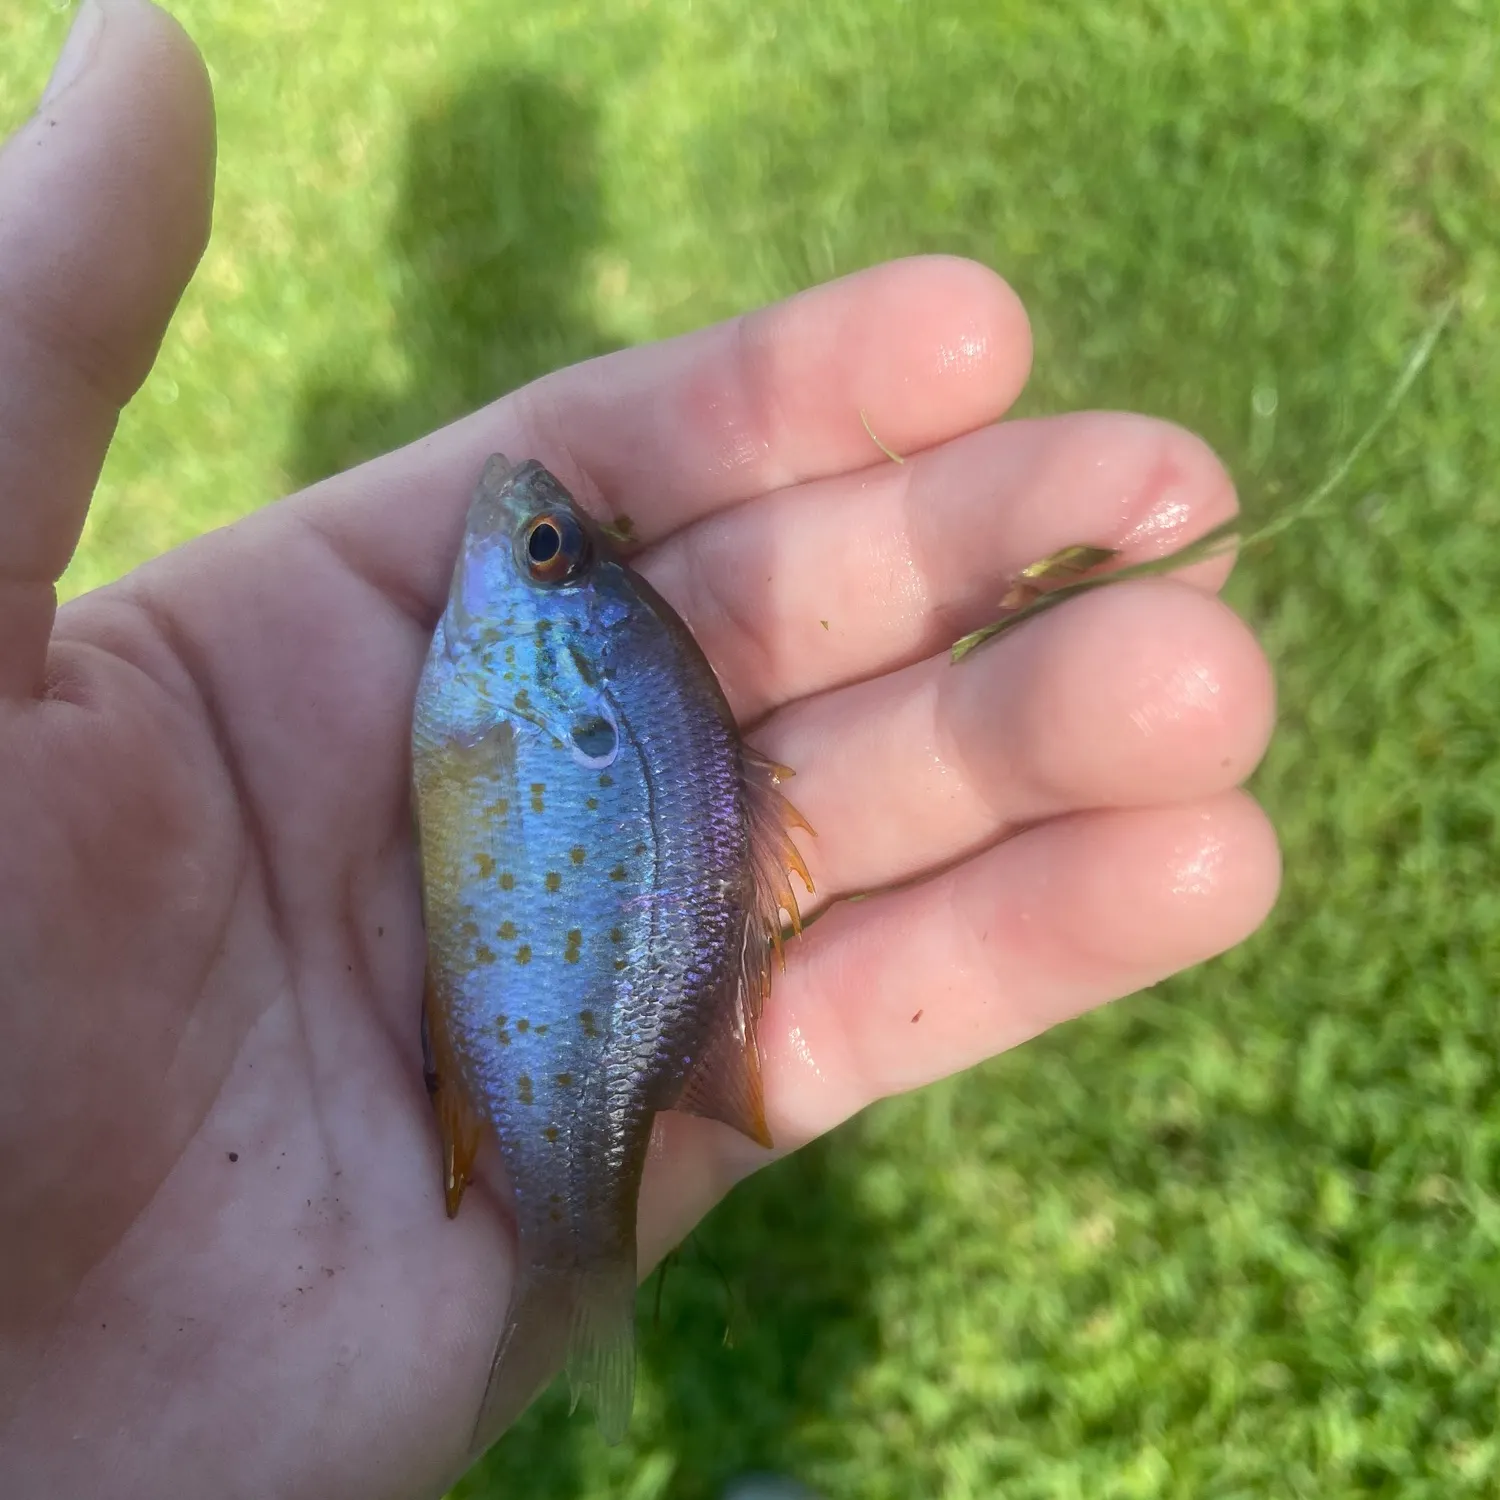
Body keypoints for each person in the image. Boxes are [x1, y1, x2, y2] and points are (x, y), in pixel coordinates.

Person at [0, 2, 1280, 1497]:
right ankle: (580, 1270)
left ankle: (575, 1258)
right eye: (557, 543)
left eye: (542, 546)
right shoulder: (522, 680)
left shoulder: (502, 682)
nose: (519, 522)